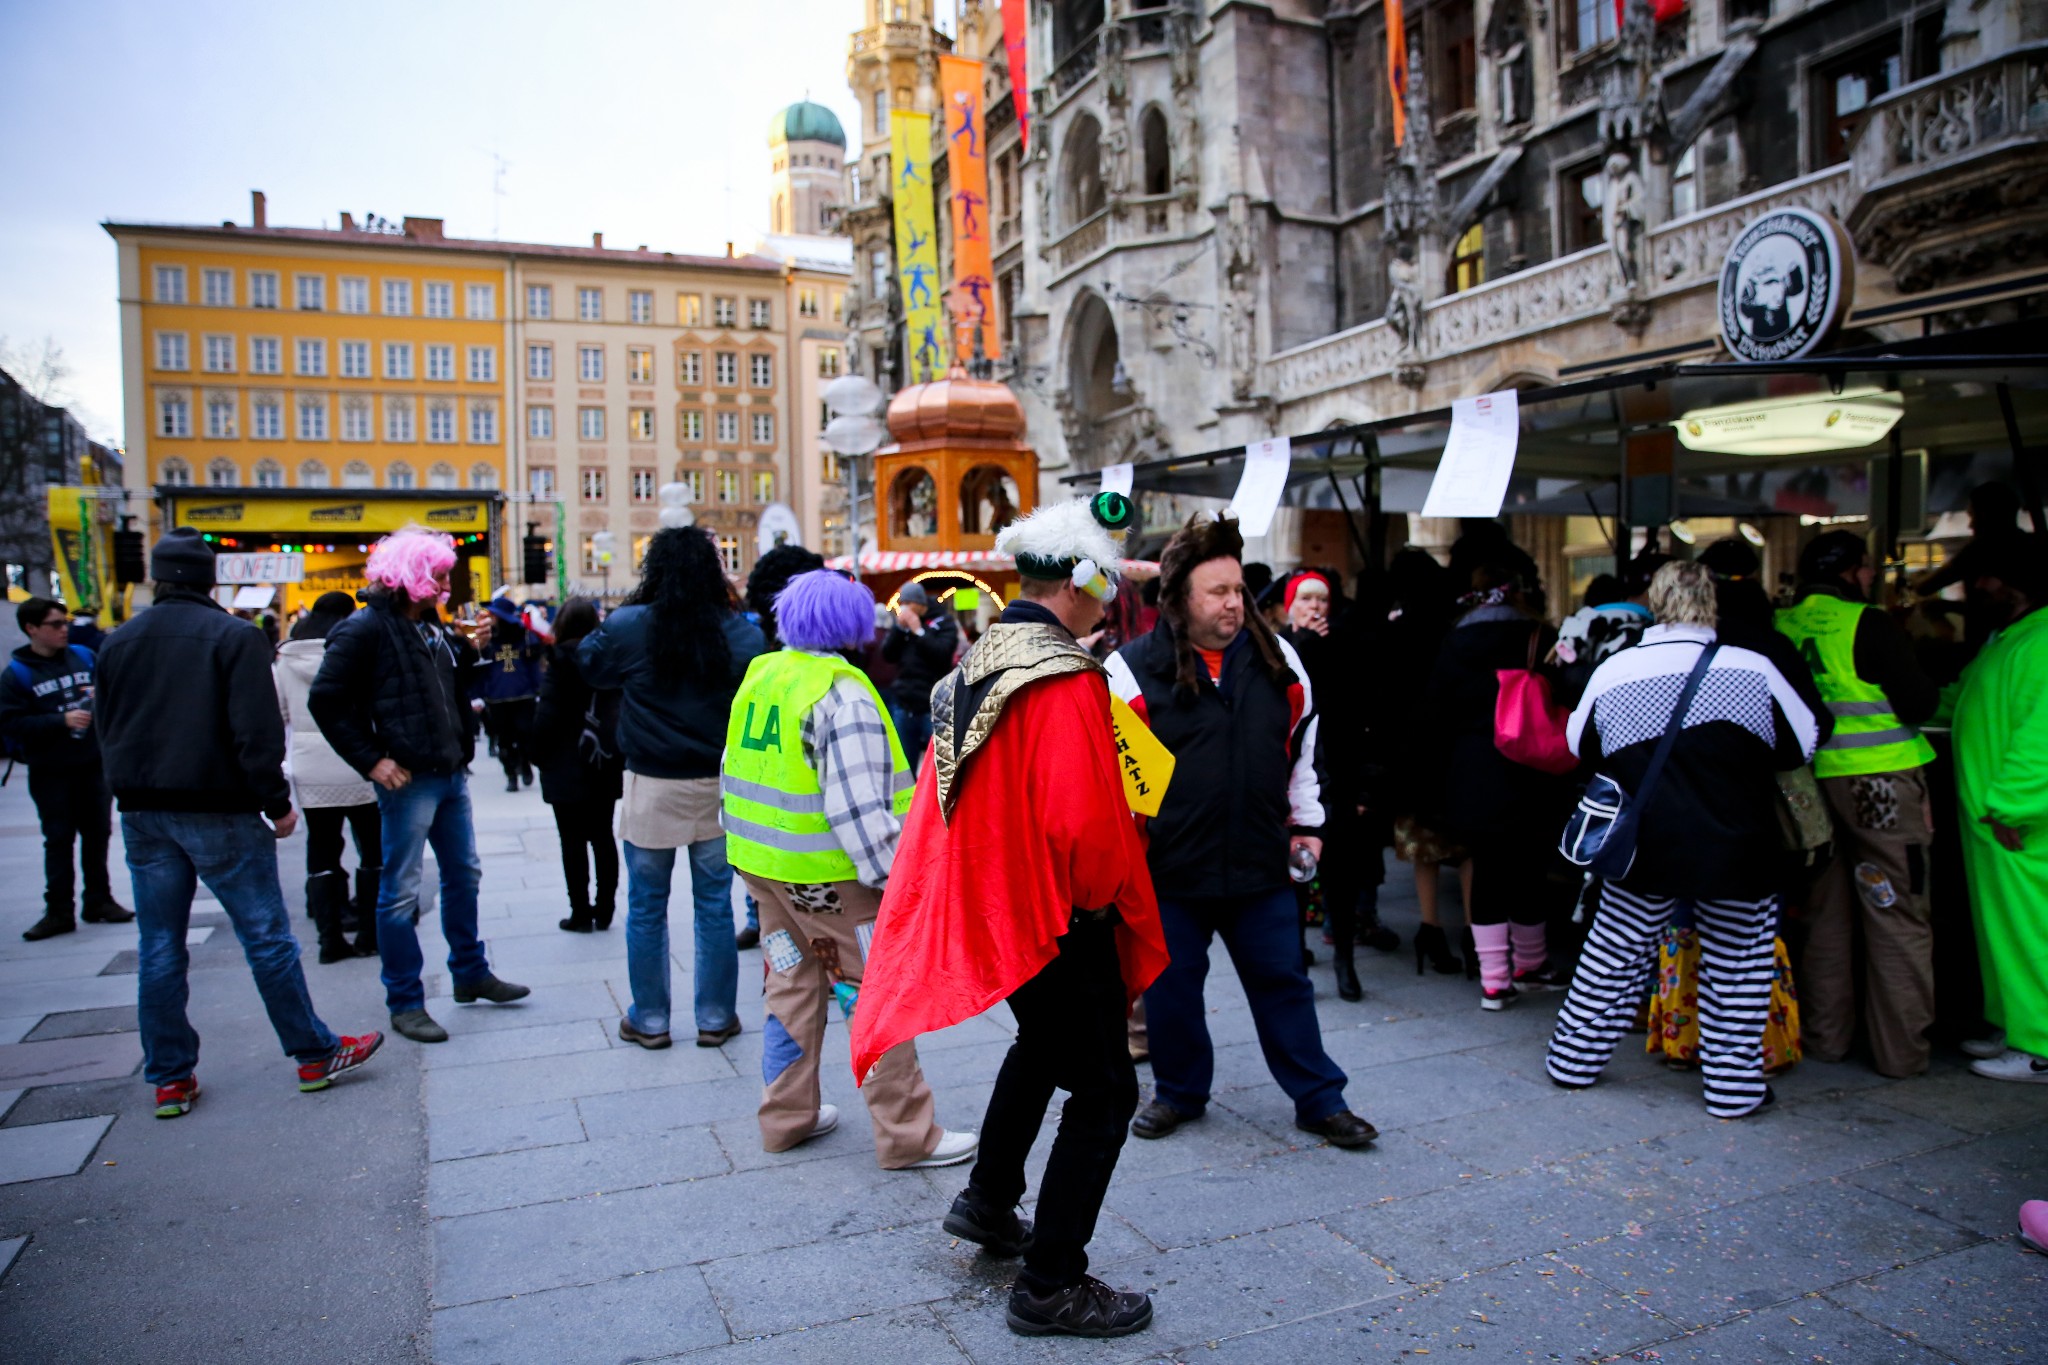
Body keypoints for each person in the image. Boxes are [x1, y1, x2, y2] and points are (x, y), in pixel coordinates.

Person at [852, 495, 1169, 1338]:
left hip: (1007, 909)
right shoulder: (1063, 676)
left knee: (1041, 1046)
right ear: (1078, 582)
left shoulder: (975, 665)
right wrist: (1107, 900)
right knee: (1106, 1089)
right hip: (1062, 914)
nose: (1108, 595)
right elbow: (1085, 827)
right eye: (1102, 579)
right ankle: (1050, 1281)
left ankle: (990, 1200)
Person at [1107, 515, 1378, 1149]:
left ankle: (1319, 1100)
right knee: (1171, 992)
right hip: (1171, 869)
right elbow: (1113, 781)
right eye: (1217, 592)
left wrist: (1309, 825)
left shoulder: (1279, 659)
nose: (1234, 603)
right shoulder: (1128, 672)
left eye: (1238, 590)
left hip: (1260, 863)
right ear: (1178, 599)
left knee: (1284, 983)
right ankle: (1179, 1092)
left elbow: (1303, 753)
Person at [97, 528, 382, 1118]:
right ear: (210, 581)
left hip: (144, 809)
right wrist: (276, 802)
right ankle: (312, 1053)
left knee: (159, 946)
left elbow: (108, 725)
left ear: (157, 578)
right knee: (266, 937)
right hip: (217, 804)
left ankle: (171, 1077)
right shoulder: (233, 637)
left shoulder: (118, 641)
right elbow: (254, 732)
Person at [721, 569, 977, 1168]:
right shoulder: (843, 693)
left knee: (789, 986)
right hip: (834, 888)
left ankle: (785, 1116)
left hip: (766, 874)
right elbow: (859, 809)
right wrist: (903, 883)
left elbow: (732, 772)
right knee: (869, 995)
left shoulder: (763, 677)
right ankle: (907, 1134)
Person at [1546, 562, 1819, 1117]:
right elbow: (1804, 744)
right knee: (1739, 964)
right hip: (1738, 842)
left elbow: (1580, 745)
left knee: (1614, 952)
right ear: (1710, 603)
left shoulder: (1617, 669)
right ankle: (1733, 1091)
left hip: (1644, 843)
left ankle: (1573, 1061)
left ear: (1655, 602)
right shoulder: (1754, 668)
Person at [310, 526, 530, 1045]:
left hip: (449, 770)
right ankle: (405, 1001)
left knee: (464, 875)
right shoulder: (365, 629)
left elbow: (448, 692)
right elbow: (326, 699)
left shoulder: (429, 628)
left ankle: (470, 973)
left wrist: (470, 654)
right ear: (411, 576)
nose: (446, 584)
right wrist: (372, 761)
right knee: (399, 893)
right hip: (409, 778)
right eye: (438, 576)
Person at [579, 526, 763, 1049]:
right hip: (716, 783)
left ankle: (651, 1019)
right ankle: (714, 1017)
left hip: (652, 783)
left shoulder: (629, 625)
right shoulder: (740, 632)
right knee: (713, 905)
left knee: (645, 905)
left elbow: (590, 667)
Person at [1778, 530, 1941, 1077]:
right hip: (1878, 788)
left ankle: (1827, 1040)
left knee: (1825, 912)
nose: (1871, 576)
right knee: (1896, 910)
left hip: (1810, 791)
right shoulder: (1868, 621)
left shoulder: (1781, 624)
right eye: (1868, 568)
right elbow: (1919, 700)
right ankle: (1902, 1055)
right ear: (1851, 571)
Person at [1426, 551, 1571, 1008]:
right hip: (1531, 766)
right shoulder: (1539, 635)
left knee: (1486, 867)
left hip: (1472, 770)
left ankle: (1493, 979)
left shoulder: (1453, 641)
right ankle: (1531, 963)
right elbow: (1565, 695)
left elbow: (1436, 710)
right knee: (1530, 867)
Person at [1944, 543, 2048, 1084]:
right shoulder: (2018, 636)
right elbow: (1969, 698)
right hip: (1999, 820)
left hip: (2020, 823)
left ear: (2016, 583)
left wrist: (2012, 804)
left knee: (2032, 931)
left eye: (1987, 577)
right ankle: (2018, 1028)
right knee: (2007, 933)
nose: (1977, 587)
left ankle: (2041, 1047)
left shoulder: (2042, 640)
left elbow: (2042, 737)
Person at [0, 596, 130, 941]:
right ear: (31, 629)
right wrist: (60, 721)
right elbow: (10, 723)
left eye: (65, 622)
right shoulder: (17, 674)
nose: (64, 629)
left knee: (98, 834)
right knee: (58, 840)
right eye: (55, 624)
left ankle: (99, 900)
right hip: (50, 769)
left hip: (92, 763)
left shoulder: (84, 656)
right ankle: (59, 910)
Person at [273, 591, 380, 963]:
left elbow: (281, 712)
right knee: (372, 848)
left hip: (310, 762)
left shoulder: (286, 657)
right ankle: (369, 934)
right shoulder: (356, 648)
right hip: (360, 757)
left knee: (321, 850)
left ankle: (329, 939)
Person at [1381, 549, 1471, 976]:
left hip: (1410, 751)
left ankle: (1431, 927)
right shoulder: (1454, 630)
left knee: (1424, 846)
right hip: (1453, 748)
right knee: (1467, 843)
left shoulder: (1395, 633)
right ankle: (1474, 933)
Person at [734, 545, 828, 950]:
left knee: (785, 961)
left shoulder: (755, 659)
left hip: (756, 820)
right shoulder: (824, 670)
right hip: (808, 837)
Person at [531, 597, 622, 934]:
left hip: (563, 765)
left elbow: (547, 717)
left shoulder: (559, 662)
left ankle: (581, 912)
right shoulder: (606, 662)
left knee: (571, 841)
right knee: (603, 837)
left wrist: (537, 756)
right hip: (602, 762)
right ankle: (606, 909)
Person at [878, 580, 955, 764]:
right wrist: (899, 630)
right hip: (904, 703)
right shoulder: (903, 628)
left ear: (920, 604)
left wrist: (919, 631)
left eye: (908, 604)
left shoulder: (943, 622)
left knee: (939, 763)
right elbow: (888, 655)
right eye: (902, 604)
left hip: (934, 706)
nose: (904, 609)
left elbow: (942, 655)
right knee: (904, 763)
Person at [477, 588, 546, 792]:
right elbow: (480, 667)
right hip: (497, 696)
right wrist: (479, 694)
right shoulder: (487, 639)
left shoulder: (524, 636)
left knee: (525, 734)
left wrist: (538, 688)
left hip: (523, 693)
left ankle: (525, 764)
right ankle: (511, 774)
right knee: (504, 740)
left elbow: (534, 662)